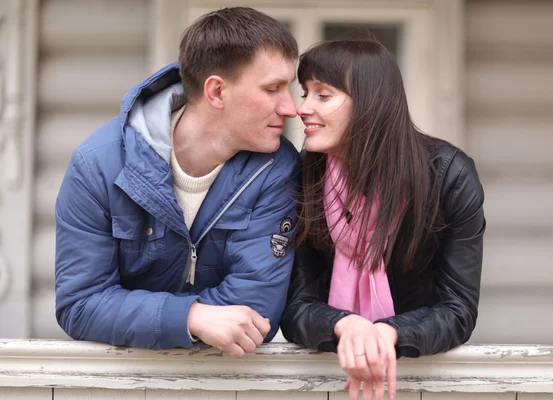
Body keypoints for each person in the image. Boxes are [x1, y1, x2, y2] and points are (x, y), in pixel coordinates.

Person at [55, 7, 300, 357]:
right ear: (216, 91)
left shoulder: (277, 168)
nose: (291, 108)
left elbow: (254, 312)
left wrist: (133, 314)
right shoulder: (98, 166)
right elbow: (80, 305)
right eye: (273, 89)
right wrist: (191, 317)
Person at [280, 38, 486, 400]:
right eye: (305, 93)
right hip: (323, 379)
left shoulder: (448, 176)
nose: (301, 109)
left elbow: (458, 309)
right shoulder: (305, 175)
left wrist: (388, 333)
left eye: (322, 95)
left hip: (420, 380)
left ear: (369, 104)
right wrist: (346, 324)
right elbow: (296, 305)